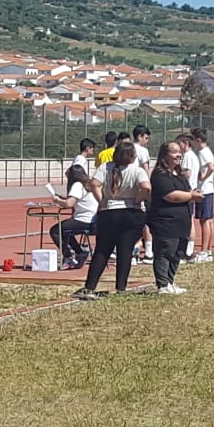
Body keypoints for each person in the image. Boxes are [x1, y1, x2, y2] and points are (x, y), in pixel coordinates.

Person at [73, 140, 150, 300]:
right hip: (131, 212)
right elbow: (146, 187)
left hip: (108, 212)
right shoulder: (137, 170)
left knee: (102, 250)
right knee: (125, 251)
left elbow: (94, 184)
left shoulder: (105, 167)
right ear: (133, 156)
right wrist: (137, 200)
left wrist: (102, 200)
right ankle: (121, 287)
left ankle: (90, 287)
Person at [147, 141, 202, 296]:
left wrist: (192, 193)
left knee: (177, 253)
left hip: (181, 222)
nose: (179, 155)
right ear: (165, 155)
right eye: (174, 152)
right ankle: (163, 285)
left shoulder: (178, 174)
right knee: (165, 252)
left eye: (179, 152)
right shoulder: (159, 174)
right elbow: (171, 196)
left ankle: (170, 282)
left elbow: (184, 191)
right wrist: (191, 196)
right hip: (165, 222)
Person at [49, 164, 97, 269]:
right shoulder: (88, 184)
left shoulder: (77, 185)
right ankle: (80, 253)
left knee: (55, 231)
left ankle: (68, 256)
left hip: (84, 219)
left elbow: (69, 204)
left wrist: (57, 200)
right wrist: (63, 199)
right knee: (66, 230)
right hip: (94, 220)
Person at [186, 128, 214, 264]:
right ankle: (208, 250)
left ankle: (204, 251)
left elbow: (211, 167)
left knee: (204, 221)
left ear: (198, 140)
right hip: (208, 189)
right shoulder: (207, 151)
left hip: (204, 190)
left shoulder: (203, 153)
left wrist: (203, 177)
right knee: (208, 220)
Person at [175, 132, 201, 259]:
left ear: (185, 144)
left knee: (188, 221)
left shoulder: (188, 156)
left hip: (188, 191)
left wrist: (176, 176)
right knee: (189, 220)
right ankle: (188, 250)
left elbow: (187, 173)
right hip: (191, 190)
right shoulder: (193, 156)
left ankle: (187, 250)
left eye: (180, 144)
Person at [132, 125, 153, 262]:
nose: (147, 141)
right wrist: (149, 188)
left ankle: (133, 249)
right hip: (140, 188)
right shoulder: (142, 151)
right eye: (146, 138)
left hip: (128, 188)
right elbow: (146, 170)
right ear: (140, 136)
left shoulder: (125, 148)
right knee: (144, 221)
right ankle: (148, 252)